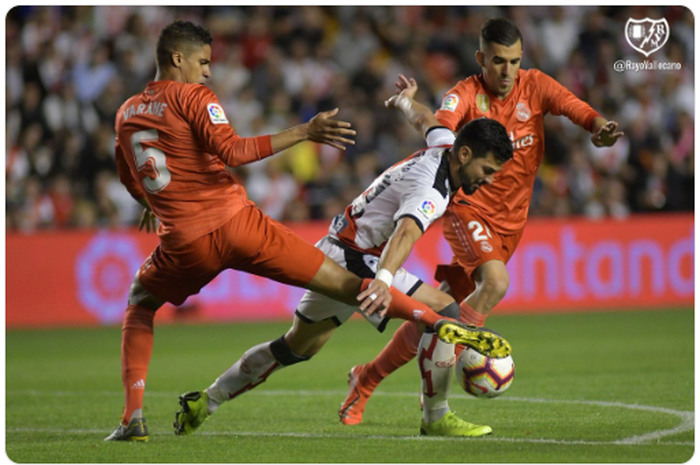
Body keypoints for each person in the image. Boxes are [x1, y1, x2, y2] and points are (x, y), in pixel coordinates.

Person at [104, 20, 502, 443]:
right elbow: (234, 152)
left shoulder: (126, 112)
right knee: (425, 306)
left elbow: (129, 172)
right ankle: (435, 392)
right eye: (202, 62)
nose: (207, 72)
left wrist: (406, 102)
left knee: (155, 308)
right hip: (262, 231)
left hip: (186, 241)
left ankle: (149, 414)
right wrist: (305, 132)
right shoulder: (194, 96)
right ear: (177, 58)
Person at [173, 77, 513, 438]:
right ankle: (436, 417)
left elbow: (425, 119)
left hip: (350, 249)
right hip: (353, 259)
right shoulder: (431, 187)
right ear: (464, 154)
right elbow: (406, 232)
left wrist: (403, 101)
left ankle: (206, 401)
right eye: (487, 171)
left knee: (296, 347)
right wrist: (383, 282)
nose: (488, 181)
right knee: (444, 313)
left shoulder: (446, 144)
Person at [339, 17, 624, 425]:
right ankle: (435, 404)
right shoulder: (465, 95)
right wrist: (409, 105)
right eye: (497, 61)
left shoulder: (536, 85)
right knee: (495, 283)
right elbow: (439, 126)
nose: (506, 71)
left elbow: (574, 108)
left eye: (513, 61)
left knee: (438, 317)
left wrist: (599, 127)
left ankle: (365, 379)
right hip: (468, 211)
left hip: (512, 224)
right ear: (480, 58)